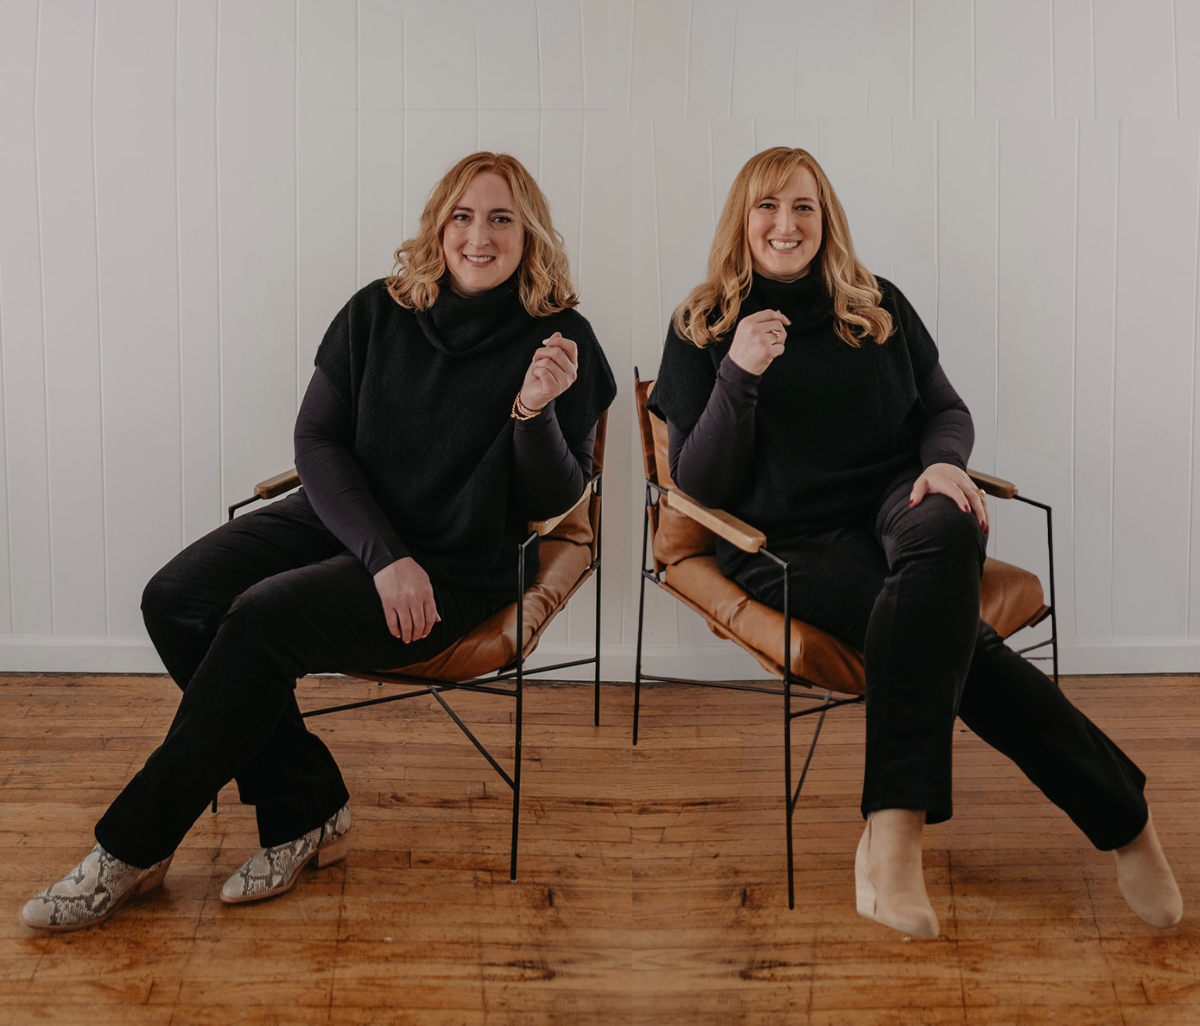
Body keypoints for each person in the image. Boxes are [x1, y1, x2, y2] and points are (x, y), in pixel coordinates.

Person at [22, 152, 616, 932]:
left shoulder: (562, 339)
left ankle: (130, 848)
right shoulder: (378, 310)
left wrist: (533, 412)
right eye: (463, 217)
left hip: (456, 561)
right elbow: (317, 440)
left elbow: (552, 503)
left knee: (263, 620)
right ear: (438, 227)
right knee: (175, 600)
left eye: (501, 218)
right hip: (351, 525)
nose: (479, 237)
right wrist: (383, 556)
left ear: (529, 233)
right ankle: (306, 804)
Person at [647, 146, 1182, 939]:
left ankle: (892, 830)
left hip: (899, 498)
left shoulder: (875, 303)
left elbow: (945, 410)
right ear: (741, 219)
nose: (786, 224)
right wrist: (740, 374)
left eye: (803, 206)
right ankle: (1126, 823)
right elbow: (701, 483)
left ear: (825, 219)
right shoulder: (702, 325)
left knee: (950, 515)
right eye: (768, 206)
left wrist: (943, 463)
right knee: (960, 645)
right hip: (788, 539)